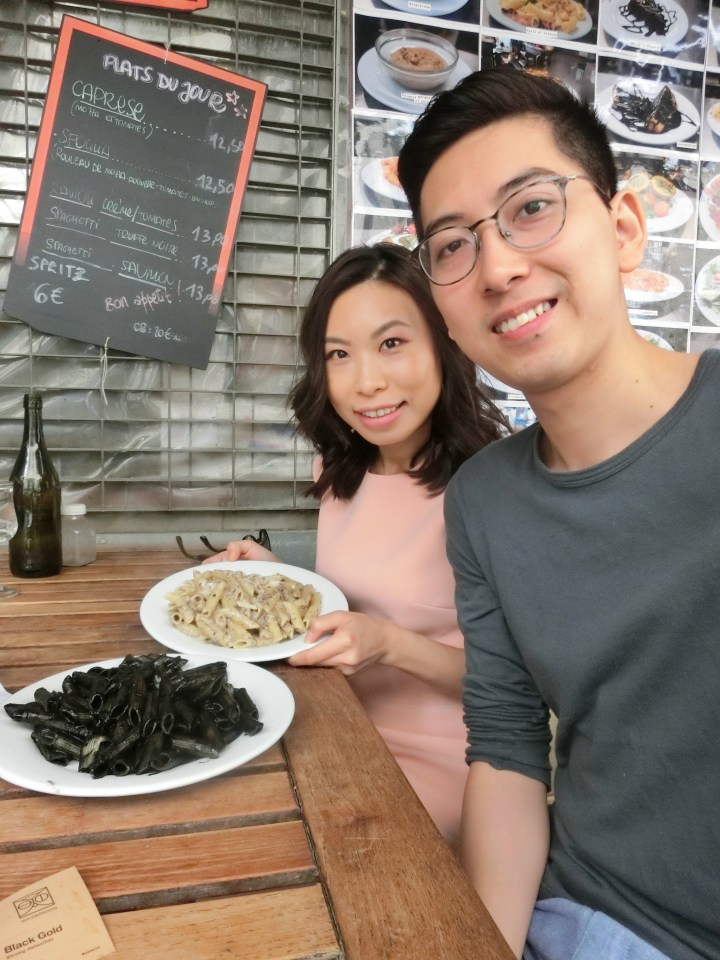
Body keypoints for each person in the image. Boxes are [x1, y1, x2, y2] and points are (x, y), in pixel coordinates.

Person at [396, 68, 719, 960]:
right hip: (581, 916)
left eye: (531, 207)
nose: (498, 266)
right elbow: (504, 749)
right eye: (453, 245)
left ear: (623, 229)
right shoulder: (484, 501)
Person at [207, 242, 508, 845]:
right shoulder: (342, 468)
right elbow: (352, 597)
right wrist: (273, 577)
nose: (367, 382)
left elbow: (515, 690)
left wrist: (392, 645)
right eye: (339, 354)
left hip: (449, 759)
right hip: (328, 721)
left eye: (392, 343)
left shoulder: (492, 486)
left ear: (443, 345)